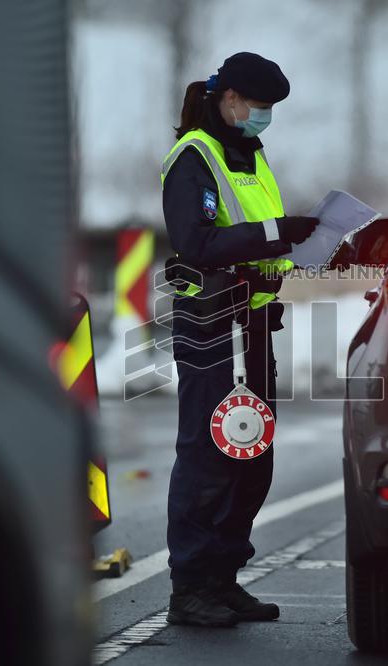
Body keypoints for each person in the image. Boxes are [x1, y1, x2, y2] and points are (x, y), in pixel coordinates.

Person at [159, 52, 319, 627]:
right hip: (211, 326)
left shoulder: (249, 153)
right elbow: (198, 242)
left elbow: (258, 241)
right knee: (208, 457)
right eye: (259, 106)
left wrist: (312, 245)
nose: (264, 117)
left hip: (252, 325)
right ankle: (191, 588)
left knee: (251, 455)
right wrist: (280, 232)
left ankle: (223, 578)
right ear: (229, 99)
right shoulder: (194, 158)